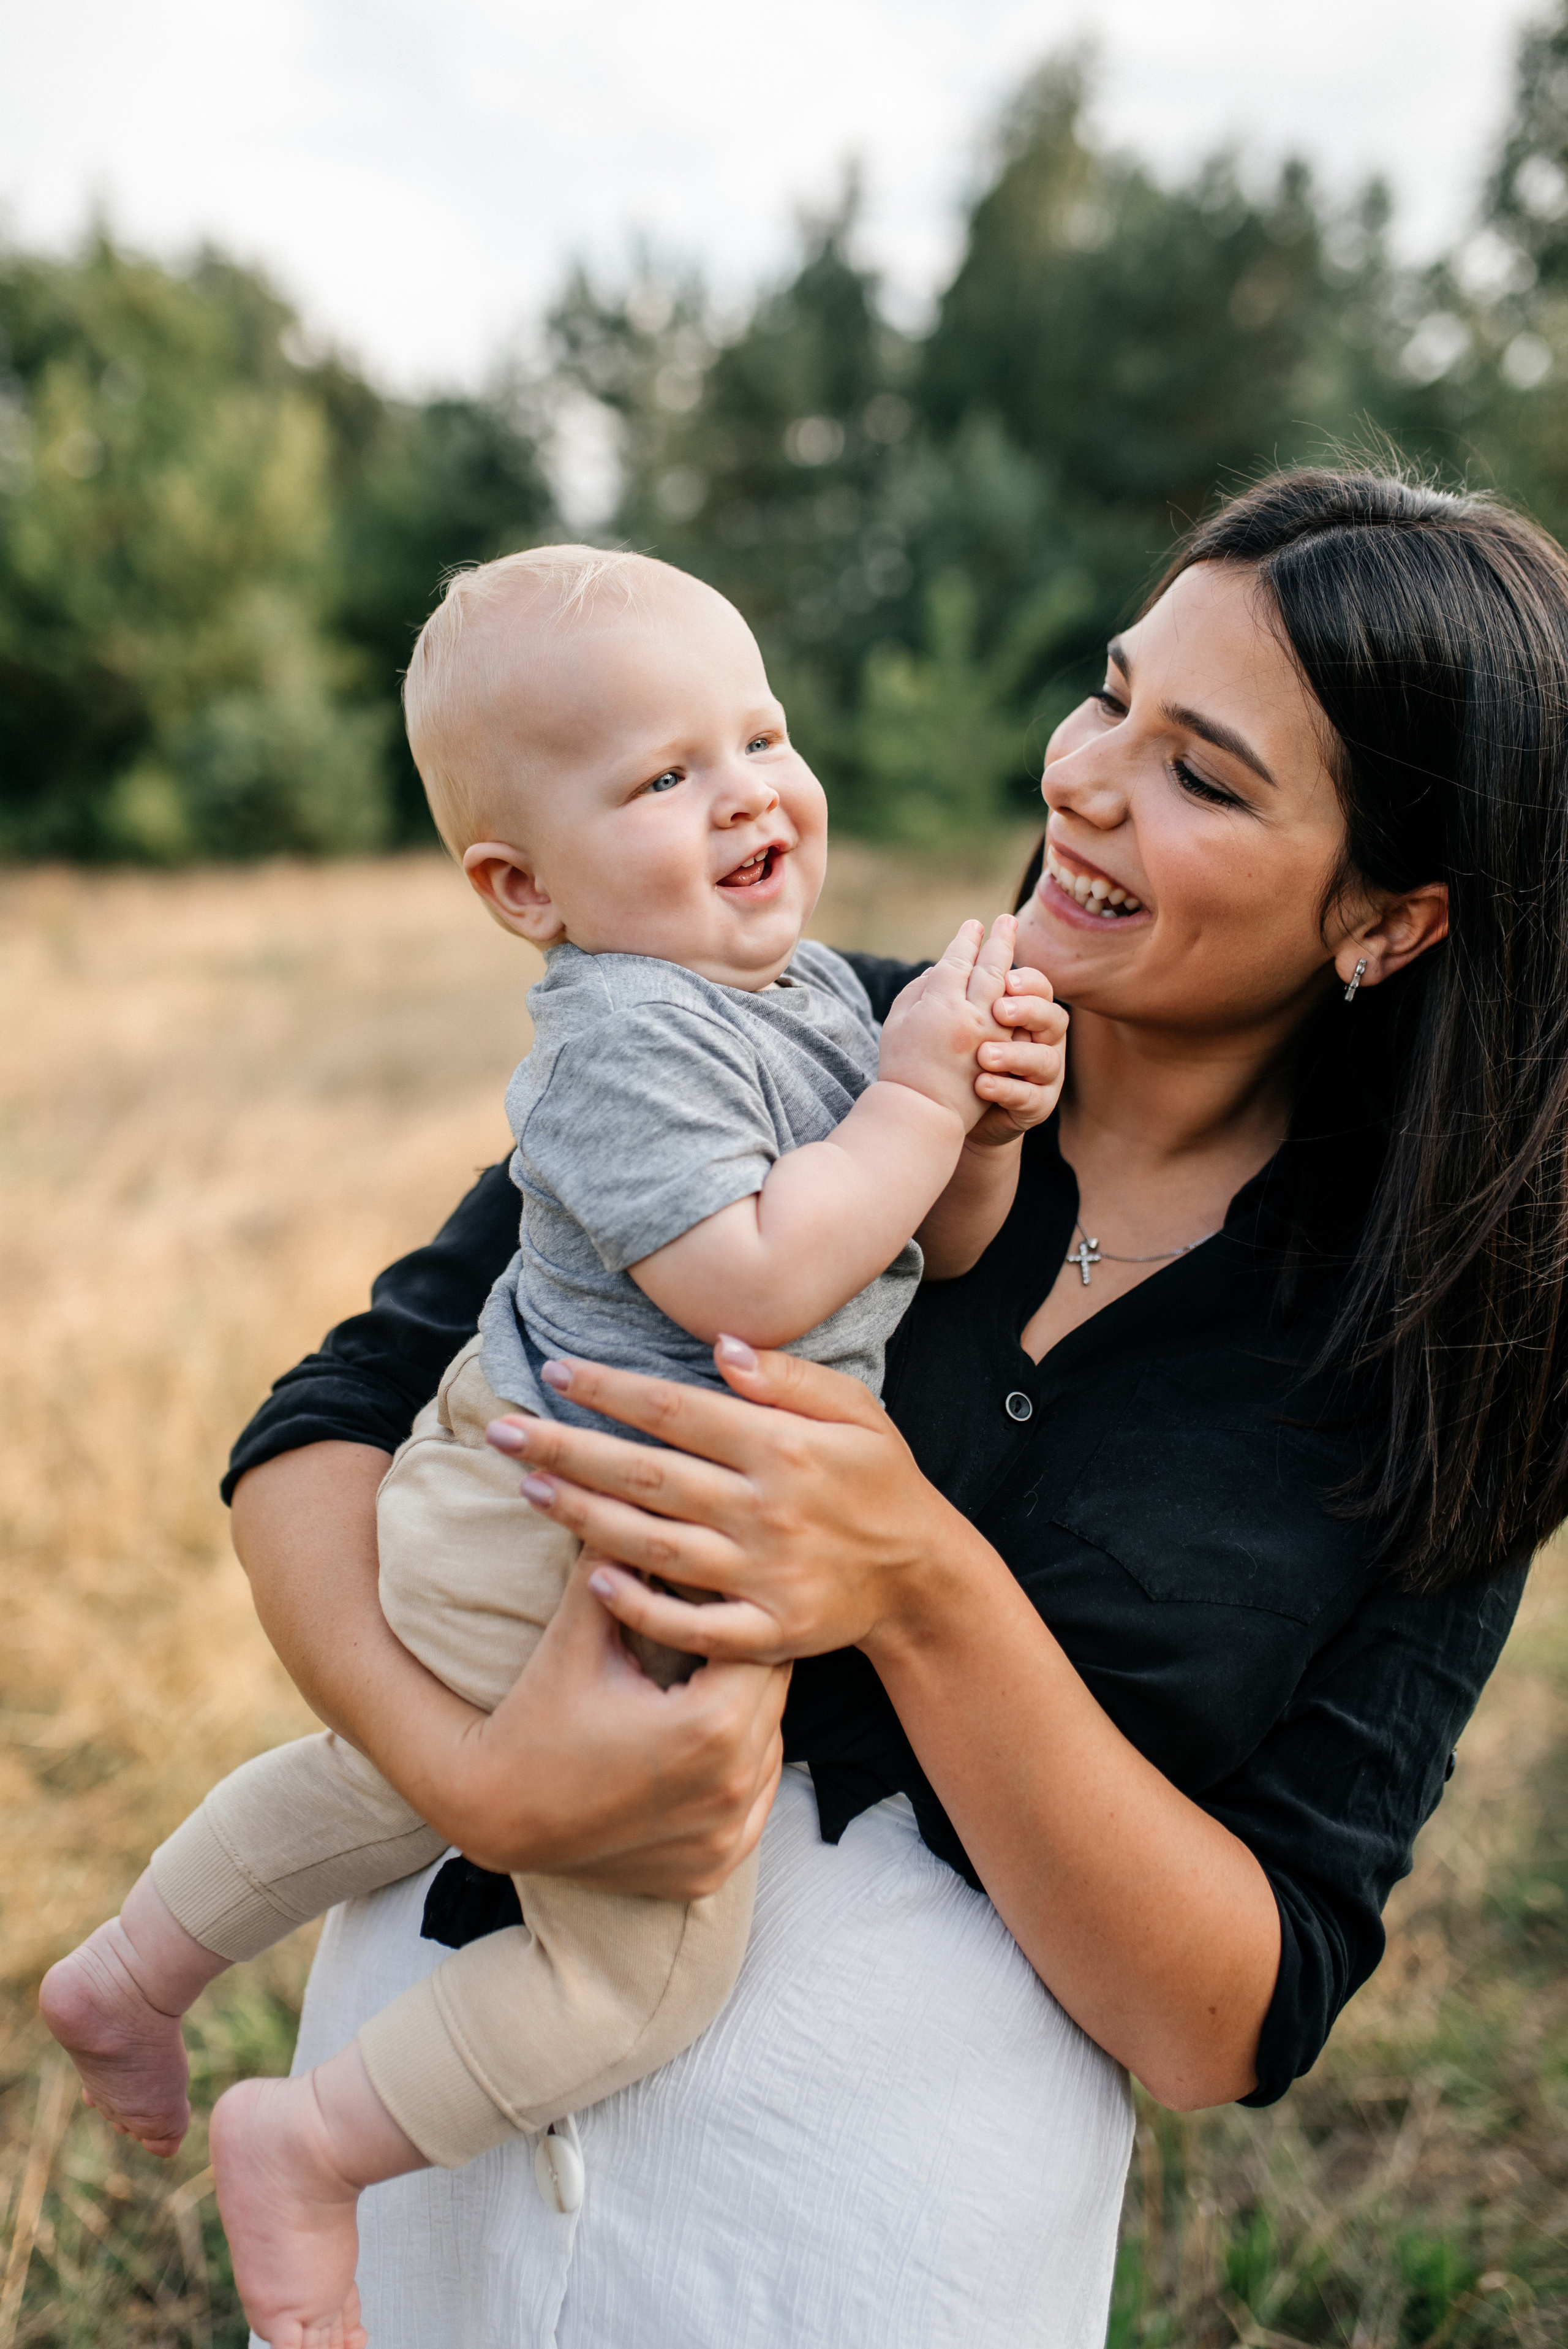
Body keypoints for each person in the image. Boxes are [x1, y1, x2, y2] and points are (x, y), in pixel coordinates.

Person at [196, 470, 1568, 2347]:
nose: (1083, 778)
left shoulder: (1455, 1351)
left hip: (871, 2259)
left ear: (1391, 921)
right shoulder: (779, 1027)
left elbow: (1236, 2015)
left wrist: (918, 1581)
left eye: (1202, 773)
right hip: (418, 2164)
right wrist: (479, 1780)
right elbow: (325, 1428)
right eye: (1112, 694)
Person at [38, 547, 1067, 2349]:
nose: (745, 790)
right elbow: (754, 1275)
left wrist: (977, 1128)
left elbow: (940, 1250)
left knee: (380, 1783)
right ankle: (313, 2149)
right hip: (556, 1527)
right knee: (637, 1973)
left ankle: (131, 1968)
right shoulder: (620, 1038)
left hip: (548, 1504)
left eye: (760, 735)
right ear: (525, 890)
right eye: (663, 775)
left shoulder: (812, 994)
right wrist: (915, 1095)